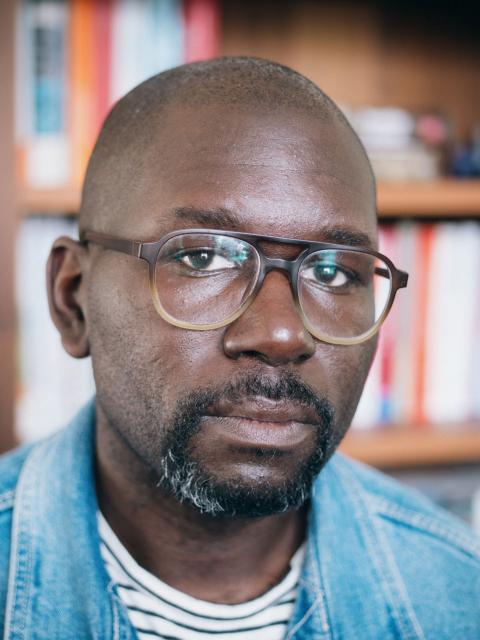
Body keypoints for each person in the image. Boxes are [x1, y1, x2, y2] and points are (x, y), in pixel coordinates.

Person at [0, 57, 479, 640]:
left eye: (331, 271)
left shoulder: (459, 596)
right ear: (73, 300)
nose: (281, 335)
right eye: (203, 257)